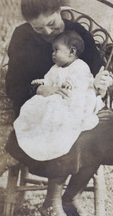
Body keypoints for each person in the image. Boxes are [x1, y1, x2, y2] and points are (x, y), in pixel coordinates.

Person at [5, 0, 113, 216]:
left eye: (52, 23)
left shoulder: (78, 33)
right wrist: (40, 89)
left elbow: (98, 73)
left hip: (77, 107)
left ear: (60, 11)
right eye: (38, 28)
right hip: (38, 114)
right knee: (64, 124)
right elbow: (13, 87)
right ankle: (52, 202)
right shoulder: (21, 37)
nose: (47, 33)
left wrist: (103, 82)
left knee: (109, 122)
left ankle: (69, 198)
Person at [14, 30, 104, 161]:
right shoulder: (55, 68)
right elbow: (49, 80)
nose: (53, 54)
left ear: (72, 52)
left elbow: (83, 80)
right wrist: (42, 82)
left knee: (57, 107)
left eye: (56, 50)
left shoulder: (80, 66)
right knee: (36, 103)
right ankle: (39, 130)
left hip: (74, 99)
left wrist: (70, 82)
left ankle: (58, 134)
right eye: (53, 50)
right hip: (58, 98)